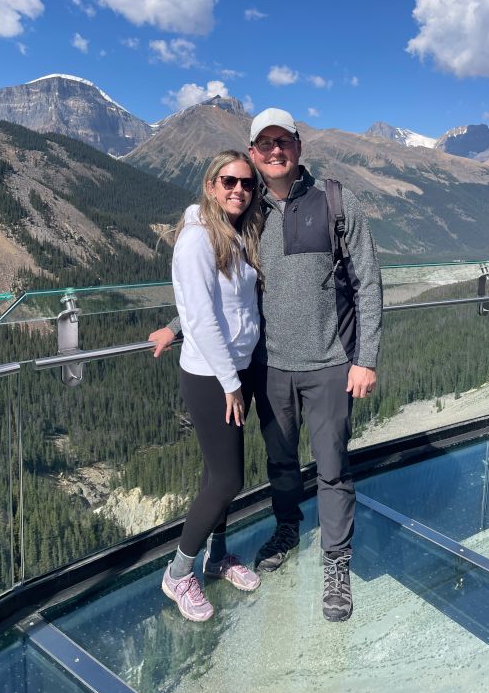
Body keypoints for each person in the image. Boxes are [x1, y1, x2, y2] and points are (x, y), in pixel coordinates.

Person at [151, 110, 382, 623]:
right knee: (279, 463)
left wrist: (366, 358)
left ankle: (336, 566)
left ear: (298, 146)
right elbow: (215, 291)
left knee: (332, 469)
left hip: (328, 363)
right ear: (253, 152)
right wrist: (177, 325)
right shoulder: (249, 213)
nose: (275, 150)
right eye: (265, 144)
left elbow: (368, 282)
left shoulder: (336, 201)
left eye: (284, 141)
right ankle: (285, 528)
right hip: (268, 367)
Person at [153, 150, 263, 623]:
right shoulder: (197, 238)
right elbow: (200, 311)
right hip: (212, 376)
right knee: (227, 479)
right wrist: (230, 384)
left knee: (219, 474)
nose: (239, 189)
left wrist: (172, 326)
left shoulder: (236, 233)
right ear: (211, 184)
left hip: (236, 370)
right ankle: (178, 573)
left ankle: (217, 557)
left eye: (247, 183)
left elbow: (219, 302)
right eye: (229, 181)